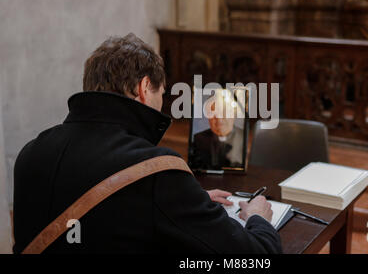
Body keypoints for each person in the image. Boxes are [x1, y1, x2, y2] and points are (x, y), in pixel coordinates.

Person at [13, 33, 281, 254]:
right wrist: (258, 217)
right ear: (143, 88)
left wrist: (188, 202)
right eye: (161, 92)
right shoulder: (157, 171)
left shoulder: (31, 153)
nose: (161, 102)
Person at [193, 97, 244, 170]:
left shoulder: (244, 138)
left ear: (233, 115)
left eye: (224, 113)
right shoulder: (198, 139)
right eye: (213, 114)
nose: (219, 119)